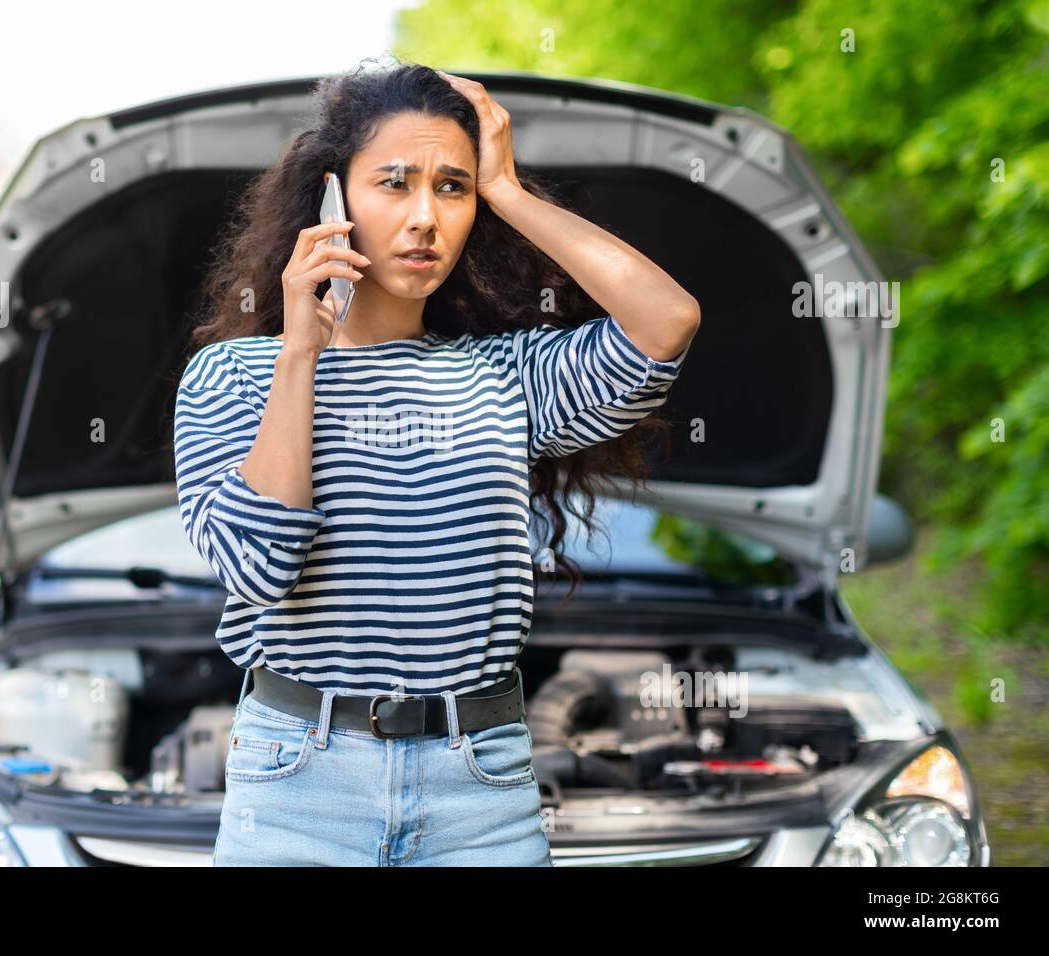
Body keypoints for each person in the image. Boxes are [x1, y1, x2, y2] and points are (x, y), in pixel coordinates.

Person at [173, 59, 700, 866]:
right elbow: (258, 566)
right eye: (394, 183)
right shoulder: (234, 376)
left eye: (452, 188)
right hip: (295, 786)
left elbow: (667, 322)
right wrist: (301, 353)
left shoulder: (505, 376)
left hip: (480, 787)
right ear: (331, 196)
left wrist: (511, 193)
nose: (425, 216)